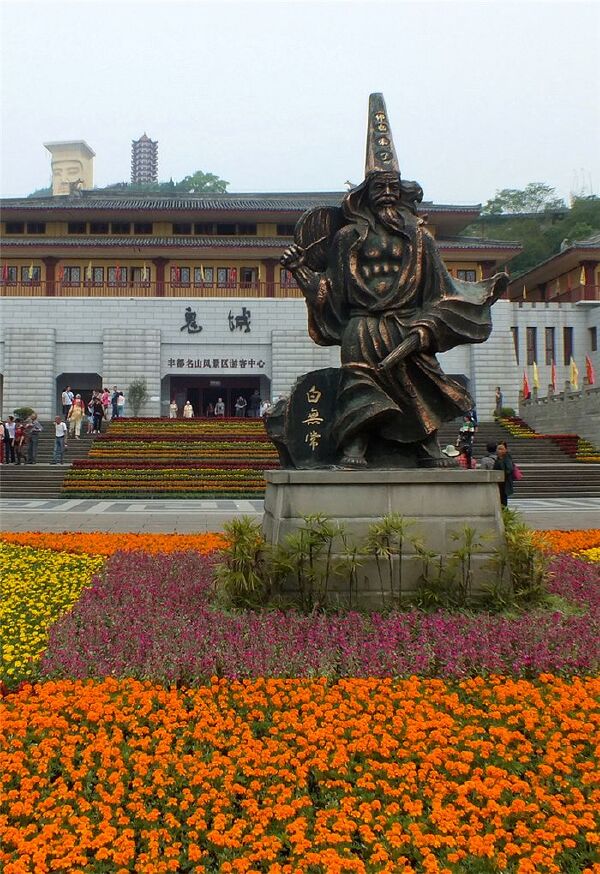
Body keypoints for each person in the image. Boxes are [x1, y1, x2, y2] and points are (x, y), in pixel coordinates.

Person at [280, 94, 507, 468]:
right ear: (364, 195)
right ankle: (356, 446)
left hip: (407, 322)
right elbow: (332, 292)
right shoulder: (346, 239)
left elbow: (440, 291)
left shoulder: (421, 240)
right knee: (361, 384)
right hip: (363, 326)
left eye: (392, 186)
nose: (386, 193)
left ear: (402, 192)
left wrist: (428, 325)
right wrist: (301, 273)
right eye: (378, 186)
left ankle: (426, 447)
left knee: (419, 384)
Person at [493, 441, 514, 507]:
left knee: (503, 499)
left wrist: (502, 475)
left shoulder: (507, 458)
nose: (499, 451)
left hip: (504, 482)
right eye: (498, 449)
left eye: (501, 449)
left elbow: (509, 469)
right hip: (498, 482)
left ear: (505, 449)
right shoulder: (498, 458)